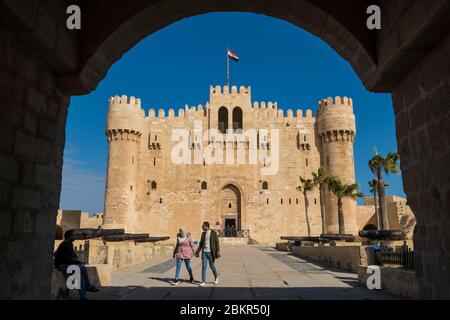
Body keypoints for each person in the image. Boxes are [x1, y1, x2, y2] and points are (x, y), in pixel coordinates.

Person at [54, 230, 99, 300]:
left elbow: (72, 256)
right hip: (62, 266)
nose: (75, 237)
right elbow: (66, 260)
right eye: (73, 235)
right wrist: (77, 262)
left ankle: (83, 297)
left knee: (80, 277)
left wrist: (76, 260)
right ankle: (88, 286)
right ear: (69, 237)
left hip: (68, 265)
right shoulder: (63, 245)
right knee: (82, 267)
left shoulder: (70, 245)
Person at [195, 221, 220, 287]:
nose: (202, 227)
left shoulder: (213, 233)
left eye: (203, 226)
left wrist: (218, 251)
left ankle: (216, 277)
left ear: (206, 226)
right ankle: (203, 281)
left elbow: (217, 242)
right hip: (204, 252)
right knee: (204, 266)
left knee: (212, 266)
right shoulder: (203, 234)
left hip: (211, 252)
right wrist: (197, 251)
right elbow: (200, 243)